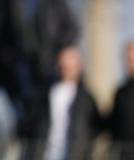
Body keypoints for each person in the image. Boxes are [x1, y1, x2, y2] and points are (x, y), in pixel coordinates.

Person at [0, 0, 79, 137]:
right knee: (16, 124)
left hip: (46, 74)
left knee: (42, 124)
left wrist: (55, 54)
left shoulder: (55, 4)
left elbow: (72, 28)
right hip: (14, 76)